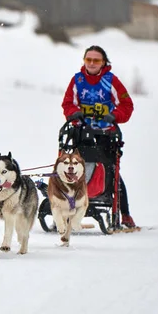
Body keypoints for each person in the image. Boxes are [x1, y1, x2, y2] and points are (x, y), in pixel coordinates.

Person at [61, 45, 137, 228]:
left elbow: (127, 105)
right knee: (75, 169)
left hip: (106, 134)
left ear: (103, 62)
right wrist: (74, 114)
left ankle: (124, 213)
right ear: (84, 61)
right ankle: (70, 207)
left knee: (111, 170)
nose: (92, 63)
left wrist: (114, 116)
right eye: (89, 60)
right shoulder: (77, 80)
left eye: (96, 60)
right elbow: (67, 104)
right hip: (81, 133)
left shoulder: (111, 81)